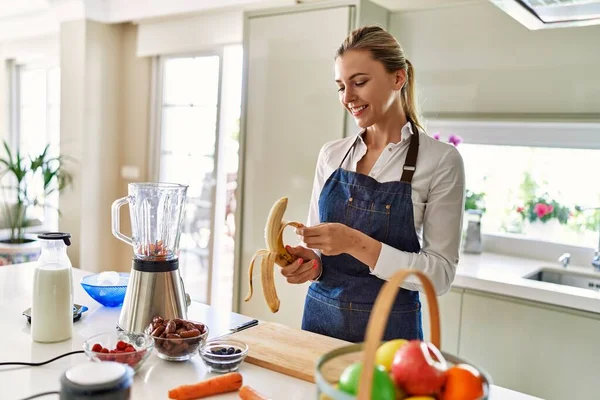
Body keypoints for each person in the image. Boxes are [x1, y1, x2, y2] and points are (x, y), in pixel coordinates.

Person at [280, 25, 466, 343]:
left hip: (391, 342)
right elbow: (320, 253)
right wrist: (310, 264)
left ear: (398, 78)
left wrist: (355, 243)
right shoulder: (331, 155)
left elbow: (441, 277)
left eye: (360, 82)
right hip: (320, 328)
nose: (347, 97)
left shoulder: (440, 161)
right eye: (341, 86)